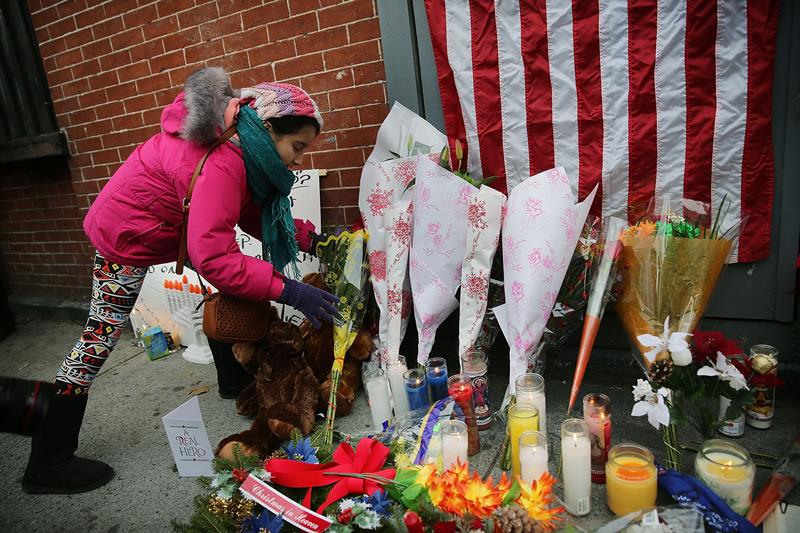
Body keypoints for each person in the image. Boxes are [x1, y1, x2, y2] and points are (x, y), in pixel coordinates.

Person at [22, 67, 339, 494]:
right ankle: (48, 459)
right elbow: (215, 256)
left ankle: (232, 382)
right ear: (268, 129)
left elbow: (246, 212)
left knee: (239, 281)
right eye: (297, 147)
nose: (299, 161)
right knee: (99, 337)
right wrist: (291, 290)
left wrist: (307, 238)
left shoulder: (241, 144)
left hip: (172, 225)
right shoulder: (223, 161)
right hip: (125, 236)